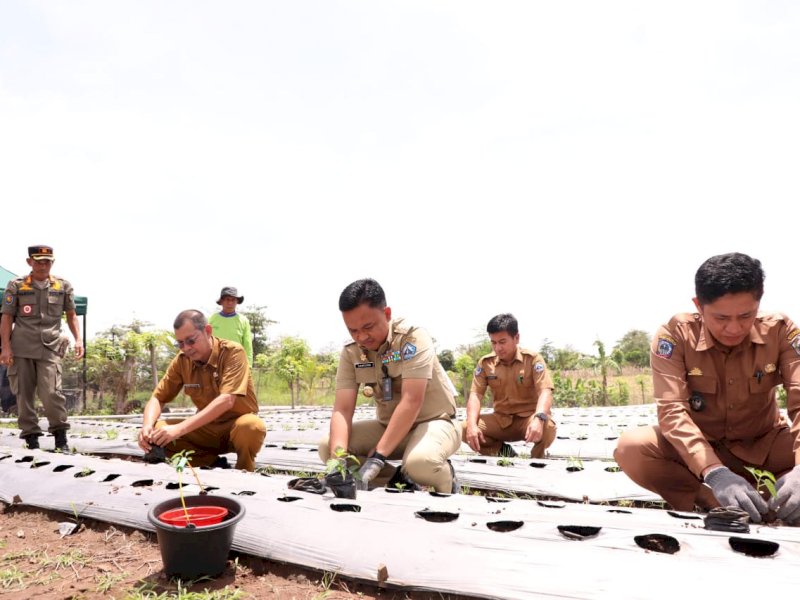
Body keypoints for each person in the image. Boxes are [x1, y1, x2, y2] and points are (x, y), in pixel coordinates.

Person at [615, 252, 800, 525]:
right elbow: (672, 411)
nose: (734, 328)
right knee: (632, 448)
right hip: (703, 452)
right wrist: (715, 472)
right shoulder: (676, 335)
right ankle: (714, 502)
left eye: (746, 315)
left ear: (759, 303)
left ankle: (772, 498)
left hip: (767, 446)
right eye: (721, 318)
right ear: (699, 305)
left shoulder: (781, 331)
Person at [319, 278, 461, 493]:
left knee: (421, 464)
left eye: (368, 327)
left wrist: (377, 458)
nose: (362, 337)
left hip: (434, 423)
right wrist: (337, 464)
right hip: (389, 428)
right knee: (328, 448)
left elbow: (412, 400)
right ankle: (397, 479)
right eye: (353, 330)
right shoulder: (351, 351)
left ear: (386, 314)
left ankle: (447, 482)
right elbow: (343, 409)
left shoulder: (412, 339)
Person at [138, 309, 267, 471]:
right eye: (180, 343)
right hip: (206, 429)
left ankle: (244, 470)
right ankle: (211, 464)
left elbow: (227, 400)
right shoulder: (182, 361)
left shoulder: (233, 352)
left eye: (191, 341)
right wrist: (147, 427)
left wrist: (179, 429)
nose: (186, 348)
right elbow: (158, 398)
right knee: (158, 431)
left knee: (251, 426)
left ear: (207, 331)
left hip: (236, 429)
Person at [0, 245, 84, 450]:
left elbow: (72, 315)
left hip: (50, 348)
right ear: (30, 262)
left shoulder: (62, 286)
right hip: (21, 348)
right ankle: (31, 439)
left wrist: (78, 339)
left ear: (52, 263)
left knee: (52, 393)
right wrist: (5, 347)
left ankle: (60, 437)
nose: (43, 265)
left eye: (47, 261)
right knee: (24, 394)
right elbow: (7, 317)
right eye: (38, 261)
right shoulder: (16, 285)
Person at [465, 314, 556, 459]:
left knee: (548, 427)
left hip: (527, 421)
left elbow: (545, 391)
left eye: (502, 342)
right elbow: (476, 395)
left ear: (516, 338)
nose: (498, 348)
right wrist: (471, 425)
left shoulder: (532, 360)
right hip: (500, 421)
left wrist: (538, 418)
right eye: (493, 343)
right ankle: (503, 452)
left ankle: (537, 459)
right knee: (465, 428)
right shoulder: (485, 363)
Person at [208, 286, 254, 366]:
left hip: (235, 361)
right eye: (227, 299)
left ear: (237, 302)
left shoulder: (243, 320)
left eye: (233, 300)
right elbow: (206, 340)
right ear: (221, 301)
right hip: (215, 361)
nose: (230, 303)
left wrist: (248, 366)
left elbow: (247, 345)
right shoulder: (212, 319)